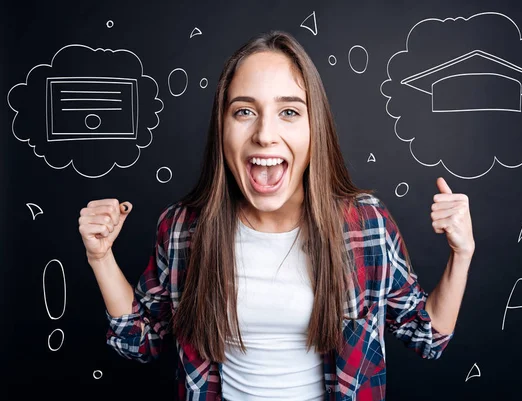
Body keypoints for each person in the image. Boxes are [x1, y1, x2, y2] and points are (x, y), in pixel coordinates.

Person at [78, 30, 475, 401]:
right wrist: (100, 258)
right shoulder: (182, 229)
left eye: (288, 112)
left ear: (313, 128)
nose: (265, 134)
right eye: (244, 112)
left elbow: (427, 338)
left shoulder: (365, 225)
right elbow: (140, 343)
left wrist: (461, 254)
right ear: (222, 127)